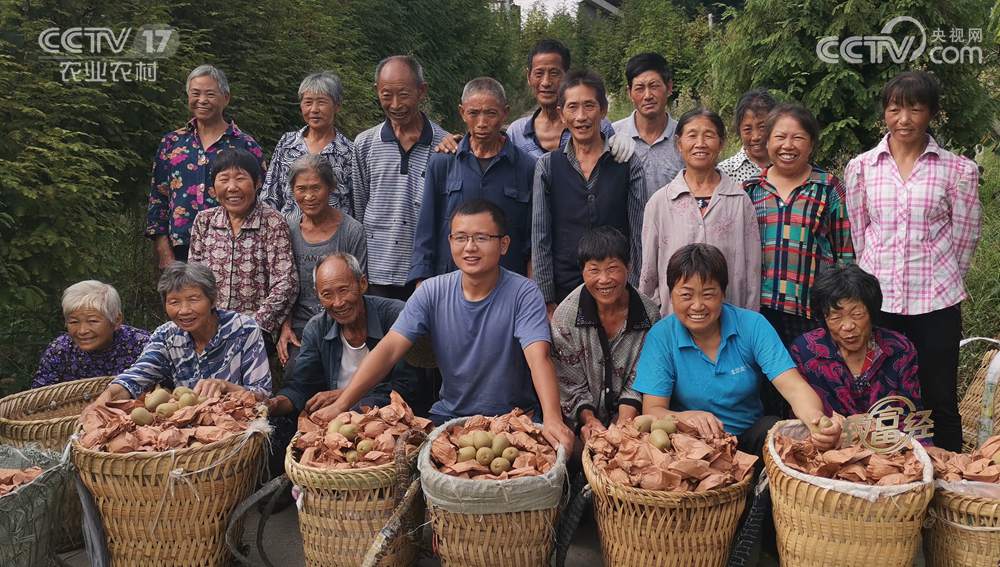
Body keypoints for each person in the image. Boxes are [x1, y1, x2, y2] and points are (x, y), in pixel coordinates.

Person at [311, 199, 575, 451]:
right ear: (450, 242)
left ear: (503, 244)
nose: (470, 247)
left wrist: (552, 417)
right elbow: (389, 348)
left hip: (514, 419)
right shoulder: (432, 291)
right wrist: (342, 403)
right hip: (450, 419)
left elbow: (539, 357)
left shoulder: (524, 293)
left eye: (482, 238)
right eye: (460, 238)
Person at [844, 71, 981, 451]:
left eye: (915, 109)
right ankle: (883, 479)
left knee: (939, 398)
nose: (904, 119)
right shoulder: (862, 168)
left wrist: (941, 278)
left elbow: (965, 238)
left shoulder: (958, 170)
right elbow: (860, 232)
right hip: (879, 303)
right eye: (894, 109)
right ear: (884, 113)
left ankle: (950, 485)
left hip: (936, 302)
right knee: (879, 396)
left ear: (931, 114)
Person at [632, 244, 841, 457]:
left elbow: (794, 387)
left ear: (723, 293)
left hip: (749, 438)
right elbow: (653, 410)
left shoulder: (752, 325)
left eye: (708, 294)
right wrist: (686, 417)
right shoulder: (661, 336)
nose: (697, 306)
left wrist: (816, 420)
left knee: (774, 430)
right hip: (690, 445)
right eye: (686, 295)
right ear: (671, 295)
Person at [532, 70, 647, 313]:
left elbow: (639, 233)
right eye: (572, 107)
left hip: (618, 287)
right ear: (561, 114)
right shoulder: (547, 166)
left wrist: (636, 289)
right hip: (566, 290)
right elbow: (541, 237)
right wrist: (547, 299)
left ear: (603, 110)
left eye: (589, 106)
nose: (581, 116)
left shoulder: (627, 163)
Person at [744, 103, 855, 346]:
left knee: (812, 375)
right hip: (760, 309)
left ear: (811, 144)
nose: (787, 145)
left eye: (798, 138)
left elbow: (845, 254)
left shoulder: (828, 188)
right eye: (780, 137)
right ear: (768, 142)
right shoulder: (751, 189)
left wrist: (843, 304)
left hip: (812, 309)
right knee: (764, 379)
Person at [410, 77, 533, 283]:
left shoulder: (527, 167)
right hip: (450, 282)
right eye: (473, 113)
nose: (482, 123)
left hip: (508, 283)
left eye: (491, 113)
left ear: (505, 112)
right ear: (462, 113)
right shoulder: (443, 163)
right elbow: (426, 231)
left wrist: (532, 289)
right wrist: (421, 282)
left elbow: (532, 239)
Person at [638, 108, 760, 315]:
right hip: (674, 320)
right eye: (692, 135)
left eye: (709, 135)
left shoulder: (740, 201)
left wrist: (749, 322)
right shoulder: (660, 203)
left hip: (730, 319)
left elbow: (752, 271)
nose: (700, 143)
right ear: (679, 144)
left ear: (721, 143)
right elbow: (649, 271)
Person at [94, 262, 271, 404]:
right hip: (184, 434)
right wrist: (106, 397)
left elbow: (262, 395)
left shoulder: (243, 329)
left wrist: (225, 386)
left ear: (213, 300)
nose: (184, 310)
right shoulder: (166, 335)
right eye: (174, 302)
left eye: (194, 299)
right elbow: (138, 375)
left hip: (238, 429)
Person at [267, 253, 418, 417]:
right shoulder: (317, 328)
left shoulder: (397, 317)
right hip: (336, 424)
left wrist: (343, 397)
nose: (338, 302)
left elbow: (406, 387)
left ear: (362, 283)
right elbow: (302, 385)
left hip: (387, 421)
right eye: (327, 295)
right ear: (317, 294)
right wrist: (274, 404)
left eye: (343, 290)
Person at [146, 64, 265, 266]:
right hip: (180, 249)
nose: (202, 100)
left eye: (210, 94)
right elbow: (158, 198)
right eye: (195, 93)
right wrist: (163, 249)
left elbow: (262, 197)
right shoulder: (172, 142)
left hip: (233, 247)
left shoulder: (245, 145)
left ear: (225, 98)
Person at [352, 55, 448, 300]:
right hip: (377, 272)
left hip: (426, 274)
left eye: (404, 94)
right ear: (377, 91)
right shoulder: (364, 144)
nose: (395, 104)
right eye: (386, 95)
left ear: (421, 91)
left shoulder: (444, 146)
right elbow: (359, 208)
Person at [552, 227, 660, 444]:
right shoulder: (565, 316)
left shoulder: (649, 315)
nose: (604, 279)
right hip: (580, 423)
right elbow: (569, 383)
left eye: (612, 269)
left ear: (628, 268)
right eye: (594, 270)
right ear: (582, 272)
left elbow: (640, 378)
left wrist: (623, 423)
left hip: (634, 421)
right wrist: (589, 421)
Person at [188, 148, 298, 340]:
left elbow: (286, 282)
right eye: (224, 179)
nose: (232, 187)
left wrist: (251, 325)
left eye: (240, 178)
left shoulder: (273, 222)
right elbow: (193, 277)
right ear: (213, 189)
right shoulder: (204, 221)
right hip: (209, 326)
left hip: (256, 330)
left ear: (257, 183)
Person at [790, 264, 921, 417]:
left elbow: (912, 417)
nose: (848, 326)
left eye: (857, 314)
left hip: (890, 439)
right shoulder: (804, 351)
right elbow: (800, 420)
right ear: (823, 319)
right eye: (835, 317)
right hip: (827, 439)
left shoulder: (900, 349)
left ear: (872, 312)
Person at [276, 155, 367, 373]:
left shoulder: (351, 231)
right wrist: (285, 326)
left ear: (331, 188)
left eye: (316, 188)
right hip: (299, 326)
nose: (309, 196)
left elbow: (359, 287)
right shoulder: (286, 227)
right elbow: (282, 283)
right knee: (297, 372)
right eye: (301, 189)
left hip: (341, 320)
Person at [260, 71, 355, 219]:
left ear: (337, 106)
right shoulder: (287, 144)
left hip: (335, 237)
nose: (314, 110)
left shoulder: (348, 151)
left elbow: (356, 202)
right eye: (308, 102)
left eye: (321, 102)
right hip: (288, 235)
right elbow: (270, 193)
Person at [32, 281, 150, 388]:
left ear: (116, 320)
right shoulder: (60, 350)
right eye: (74, 322)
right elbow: (39, 397)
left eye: (93, 321)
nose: (82, 331)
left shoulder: (143, 345)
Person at [611, 52, 684, 195]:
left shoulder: (684, 137)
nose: (647, 96)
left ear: (669, 87)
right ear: (629, 93)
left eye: (654, 86)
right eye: (639, 88)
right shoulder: (613, 135)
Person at [718, 89, 777, 183]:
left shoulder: (786, 164)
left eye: (762, 127)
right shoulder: (725, 172)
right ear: (739, 130)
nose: (756, 137)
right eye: (747, 129)